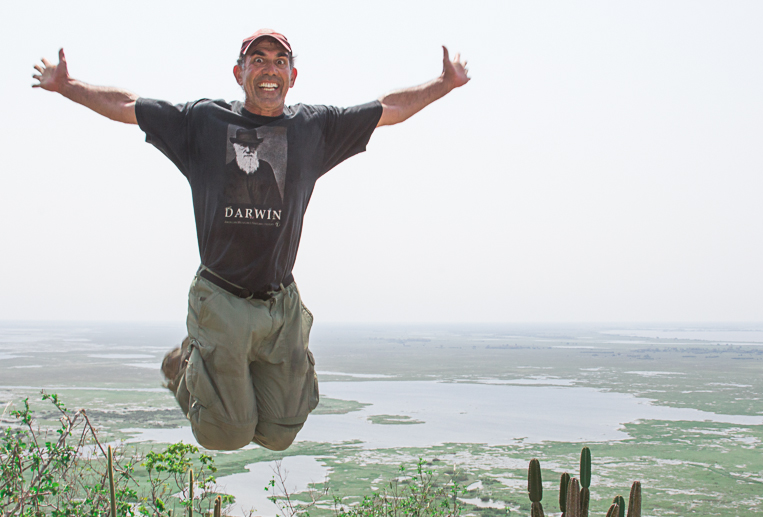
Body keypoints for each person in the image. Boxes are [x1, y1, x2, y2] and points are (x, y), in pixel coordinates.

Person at [33, 28, 470, 451]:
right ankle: (183, 364)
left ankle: (233, 374)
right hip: (221, 297)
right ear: (239, 72)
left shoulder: (313, 128)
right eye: (257, 60)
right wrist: (68, 86)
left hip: (280, 304)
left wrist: (445, 84)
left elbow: (387, 108)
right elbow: (128, 106)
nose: (269, 69)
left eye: (280, 61)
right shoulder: (203, 121)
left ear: (292, 76)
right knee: (227, 435)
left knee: (279, 435)